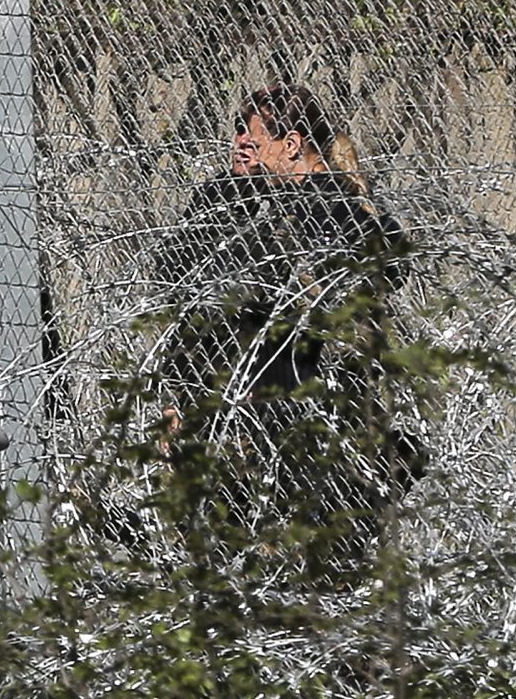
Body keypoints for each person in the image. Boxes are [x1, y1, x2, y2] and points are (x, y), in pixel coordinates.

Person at [147, 83, 421, 571]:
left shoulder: (329, 208)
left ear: (291, 145)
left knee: (298, 545)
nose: (241, 145)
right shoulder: (240, 201)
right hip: (238, 398)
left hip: (300, 408)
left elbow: (387, 261)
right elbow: (176, 279)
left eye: (253, 137)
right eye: (236, 134)